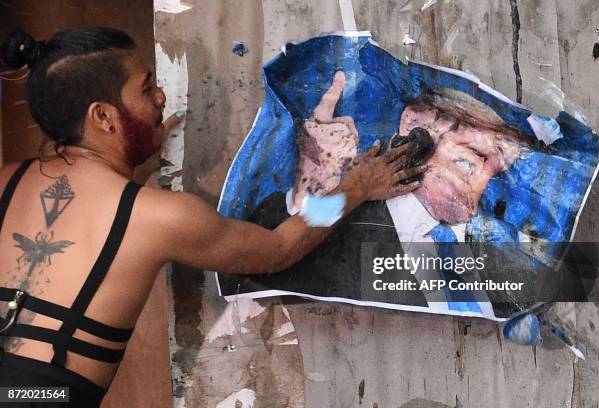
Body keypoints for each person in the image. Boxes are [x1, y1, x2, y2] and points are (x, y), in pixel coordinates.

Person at [0, 27, 424, 407]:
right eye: (147, 88)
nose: (161, 97)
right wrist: (355, 190)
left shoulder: (8, 180)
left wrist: (135, 155)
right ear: (104, 117)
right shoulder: (157, 217)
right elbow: (278, 248)